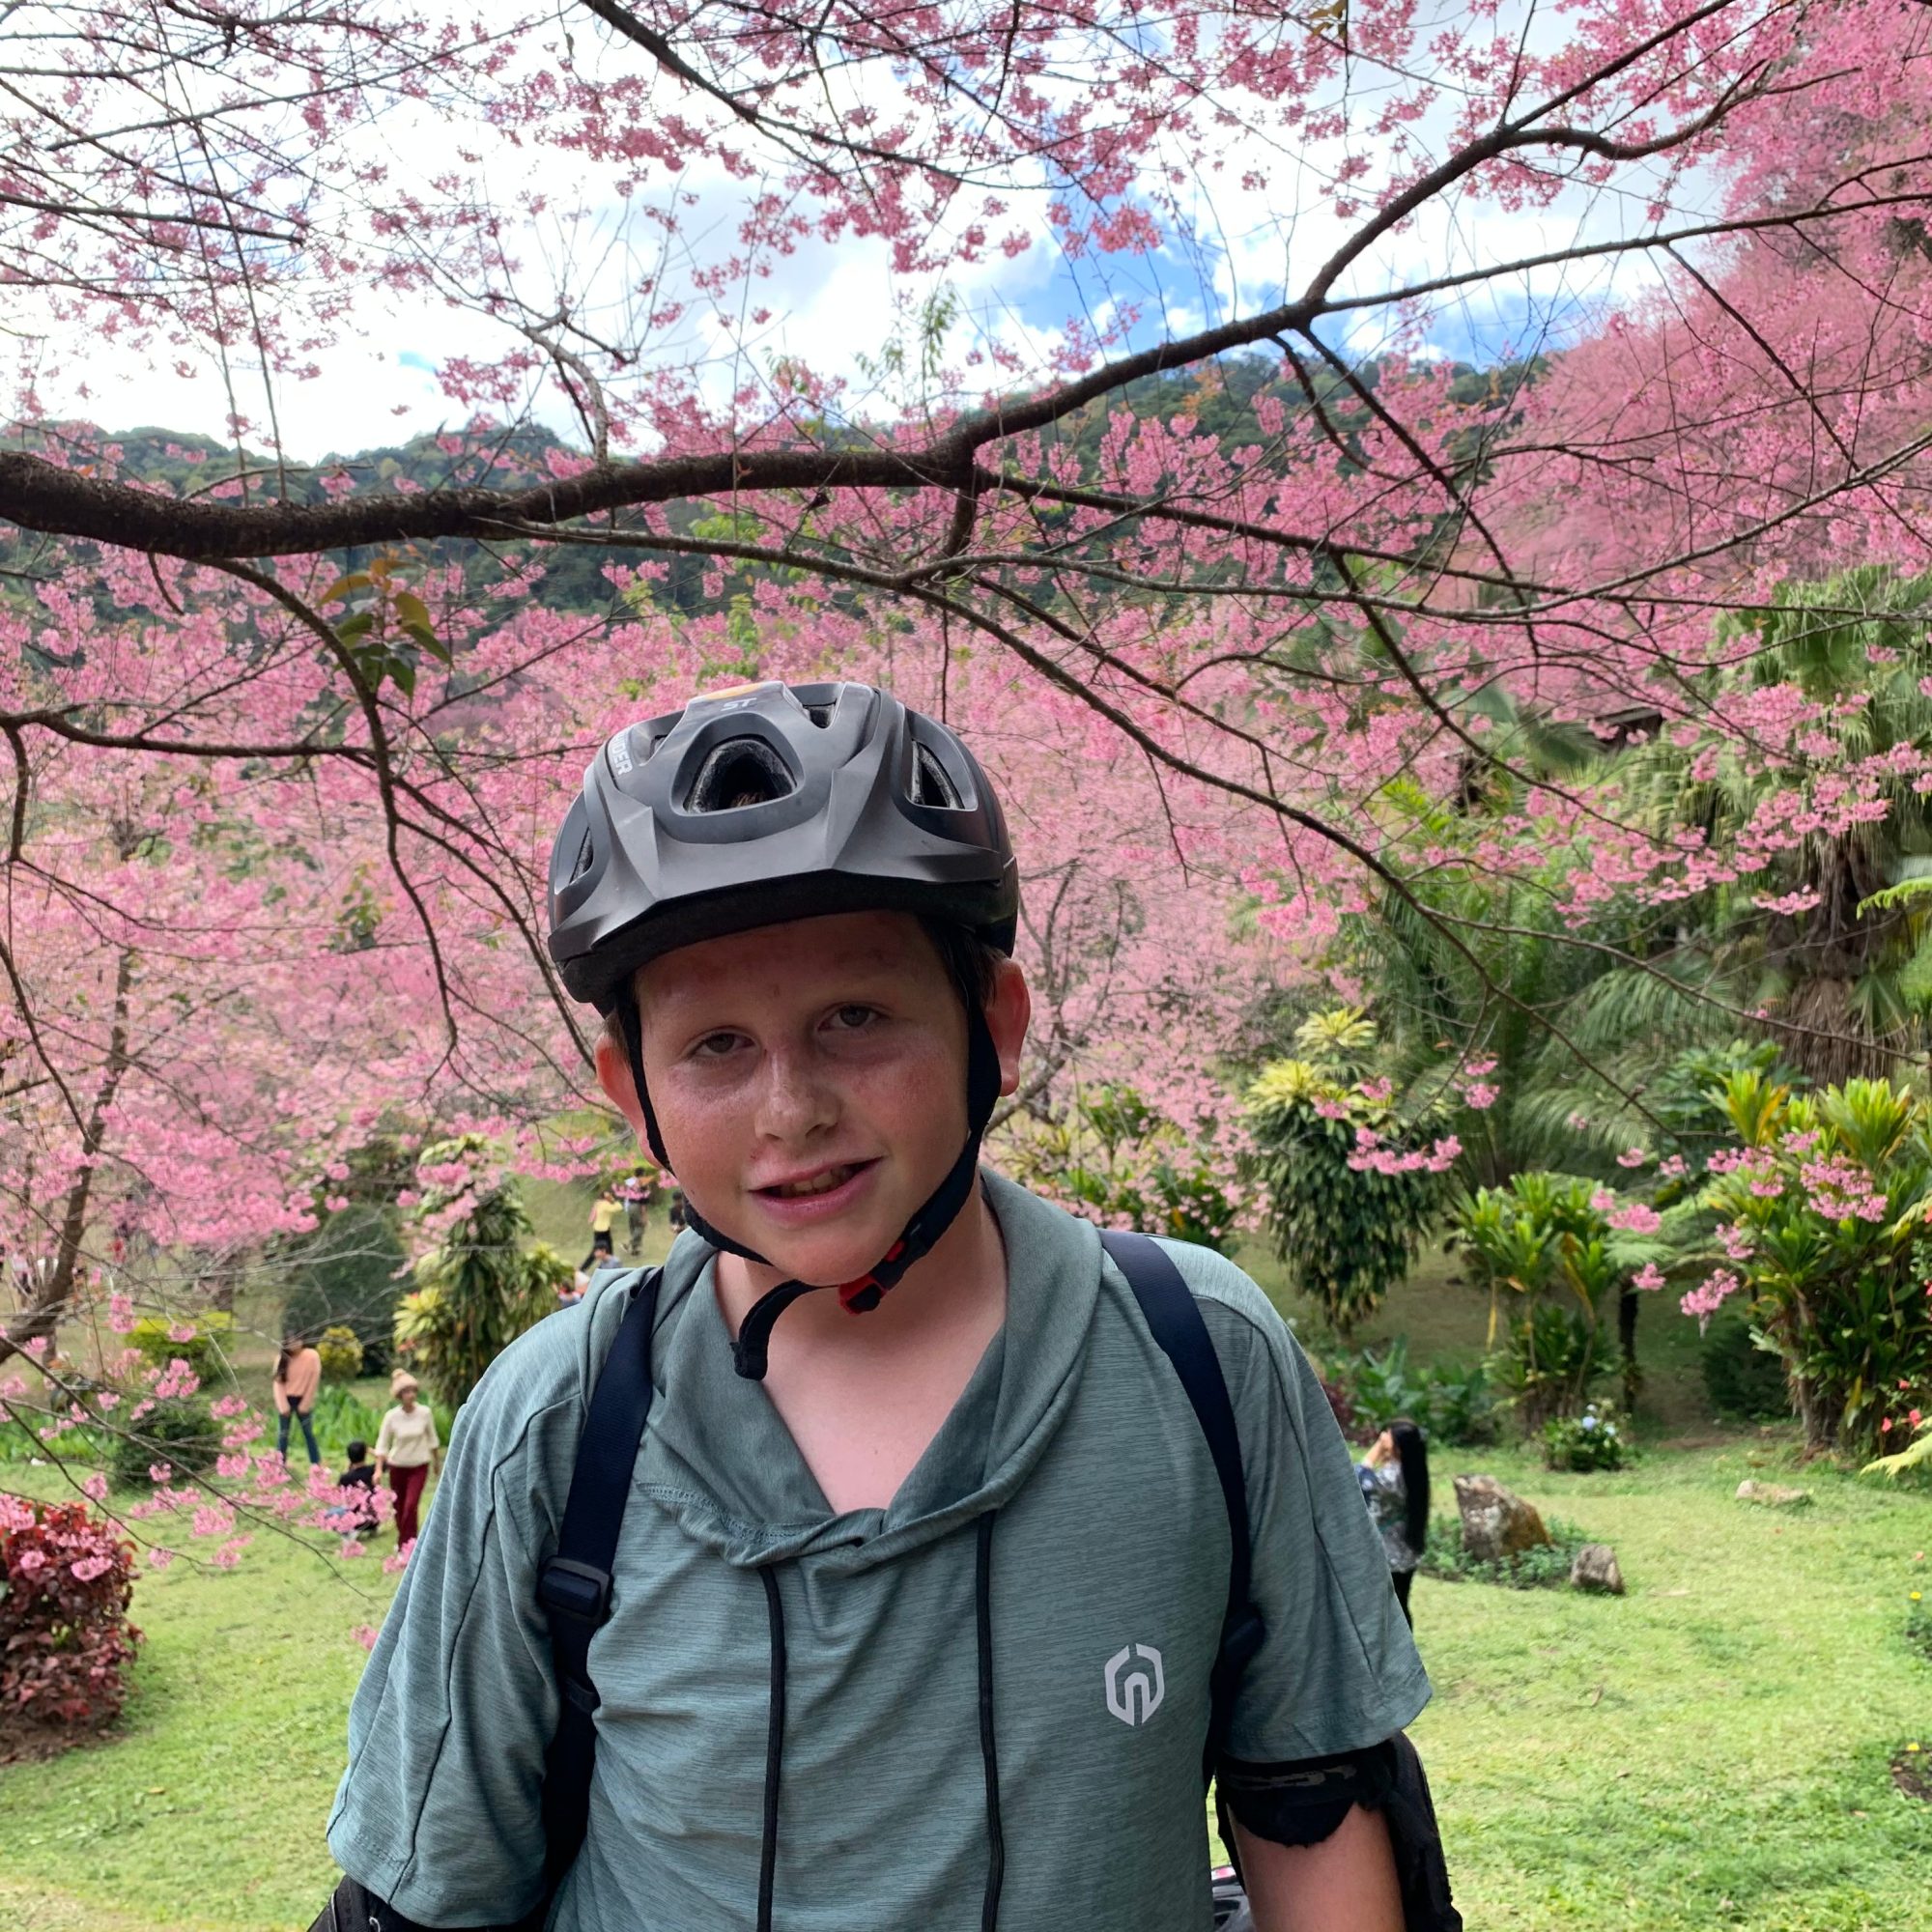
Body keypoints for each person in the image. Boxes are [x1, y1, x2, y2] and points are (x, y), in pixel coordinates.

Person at [321, 681, 1451, 1932]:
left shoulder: (1197, 1354)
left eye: (855, 1018)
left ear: (993, 1027)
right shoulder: (557, 1419)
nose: (791, 1109)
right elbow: (435, 1894)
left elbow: (1312, 1805)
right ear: (631, 1092)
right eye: (715, 1046)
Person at [1358, 1420, 1431, 1627]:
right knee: (1400, 1605)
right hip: (1407, 1551)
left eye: (1387, 1435)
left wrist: (1375, 1450)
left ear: (1398, 1446)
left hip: (1389, 1554)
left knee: (1388, 1610)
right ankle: (1405, 1643)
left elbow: (1359, 1480)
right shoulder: (1413, 1470)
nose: (1383, 1437)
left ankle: (1397, 1645)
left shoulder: (1391, 1476)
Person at [373, 1372, 440, 1547]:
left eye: (413, 1391)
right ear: (399, 1395)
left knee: (411, 1505)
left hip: (419, 1465)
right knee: (399, 1507)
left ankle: (408, 1545)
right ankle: (406, 1540)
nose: (411, 1395)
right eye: (406, 1392)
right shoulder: (391, 1416)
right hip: (397, 1466)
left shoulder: (425, 1413)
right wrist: (378, 1469)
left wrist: (436, 1463)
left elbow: (433, 1439)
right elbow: (382, 1444)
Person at [271, 1331, 323, 1466]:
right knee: (283, 1434)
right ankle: (280, 1464)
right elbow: (278, 1384)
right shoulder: (281, 1358)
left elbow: (313, 1381)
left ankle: (316, 1463)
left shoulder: (312, 1356)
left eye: (297, 1341)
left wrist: (305, 1403)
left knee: (308, 1433)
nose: (294, 1345)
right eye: (291, 1342)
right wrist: (283, 1406)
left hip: (302, 1399)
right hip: (286, 1399)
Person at [327, 1439, 381, 1537]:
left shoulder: (345, 1477)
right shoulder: (373, 1470)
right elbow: (383, 1459)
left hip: (355, 1522)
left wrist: (347, 1467)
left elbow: (336, 1490)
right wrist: (371, 1451)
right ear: (365, 1454)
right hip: (374, 1520)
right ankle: (372, 1529)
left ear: (349, 1457)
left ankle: (347, 1533)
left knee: (329, 1514)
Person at [581, 1187, 618, 1275]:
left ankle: (609, 1269)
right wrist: (612, 1200)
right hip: (602, 1231)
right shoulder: (603, 1204)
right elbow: (616, 1208)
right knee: (598, 1250)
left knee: (608, 1249)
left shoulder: (599, 1203)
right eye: (608, 1195)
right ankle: (583, 1268)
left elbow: (593, 1215)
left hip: (601, 1230)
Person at [617, 1165, 653, 1252]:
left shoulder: (631, 1182)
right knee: (641, 1226)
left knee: (633, 1226)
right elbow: (643, 1202)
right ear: (643, 1174)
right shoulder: (643, 1183)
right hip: (637, 1206)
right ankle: (628, 1244)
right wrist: (644, 1216)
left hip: (630, 1205)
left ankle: (635, 1249)